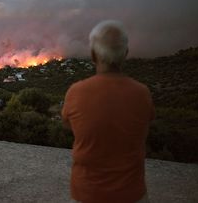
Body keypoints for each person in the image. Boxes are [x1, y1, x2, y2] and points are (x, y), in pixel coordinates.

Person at [61, 20, 154, 203]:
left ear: (93, 55)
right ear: (125, 54)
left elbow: (68, 125)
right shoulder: (142, 93)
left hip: (87, 194)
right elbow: (147, 124)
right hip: (131, 194)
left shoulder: (76, 92)